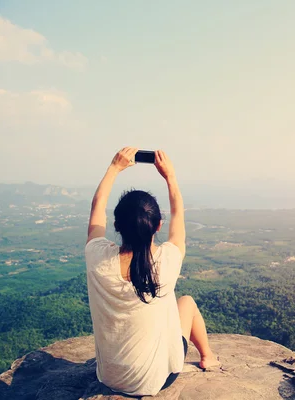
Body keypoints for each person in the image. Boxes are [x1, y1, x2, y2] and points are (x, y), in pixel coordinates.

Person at [84, 147, 220, 396]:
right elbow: (179, 215)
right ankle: (207, 357)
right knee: (187, 302)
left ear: (116, 225)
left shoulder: (97, 258)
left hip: (109, 378)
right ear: (158, 225)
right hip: (156, 381)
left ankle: (206, 356)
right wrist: (170, 177)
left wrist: (114, 168)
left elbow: (96, 210)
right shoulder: (166, 262)